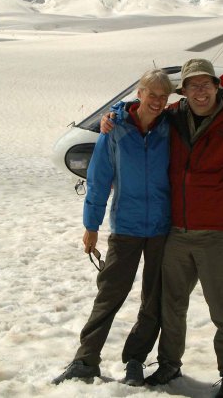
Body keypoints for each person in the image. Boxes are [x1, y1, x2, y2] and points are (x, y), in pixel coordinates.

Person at [104, 58, 223, 398]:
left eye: (206, 84)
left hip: (217, 234)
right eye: (193, 85)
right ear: (185, 90)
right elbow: (141, 109)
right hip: (176, 232)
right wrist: (113, 115)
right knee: (170, 306)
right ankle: (169, 364)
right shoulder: (173, 117)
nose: (200, 91)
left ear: (217, 87)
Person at [53, 69, 173, 387]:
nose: (158, 101)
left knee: (154, 299)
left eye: (164, 96)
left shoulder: (171, 128)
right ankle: (85, 360)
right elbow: (99, 179)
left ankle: (135, 359)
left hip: (162, 227)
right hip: (126, 227)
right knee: (110, 295)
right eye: (153, 94)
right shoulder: (115, 129)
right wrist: (90, 225)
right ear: (140, 93)